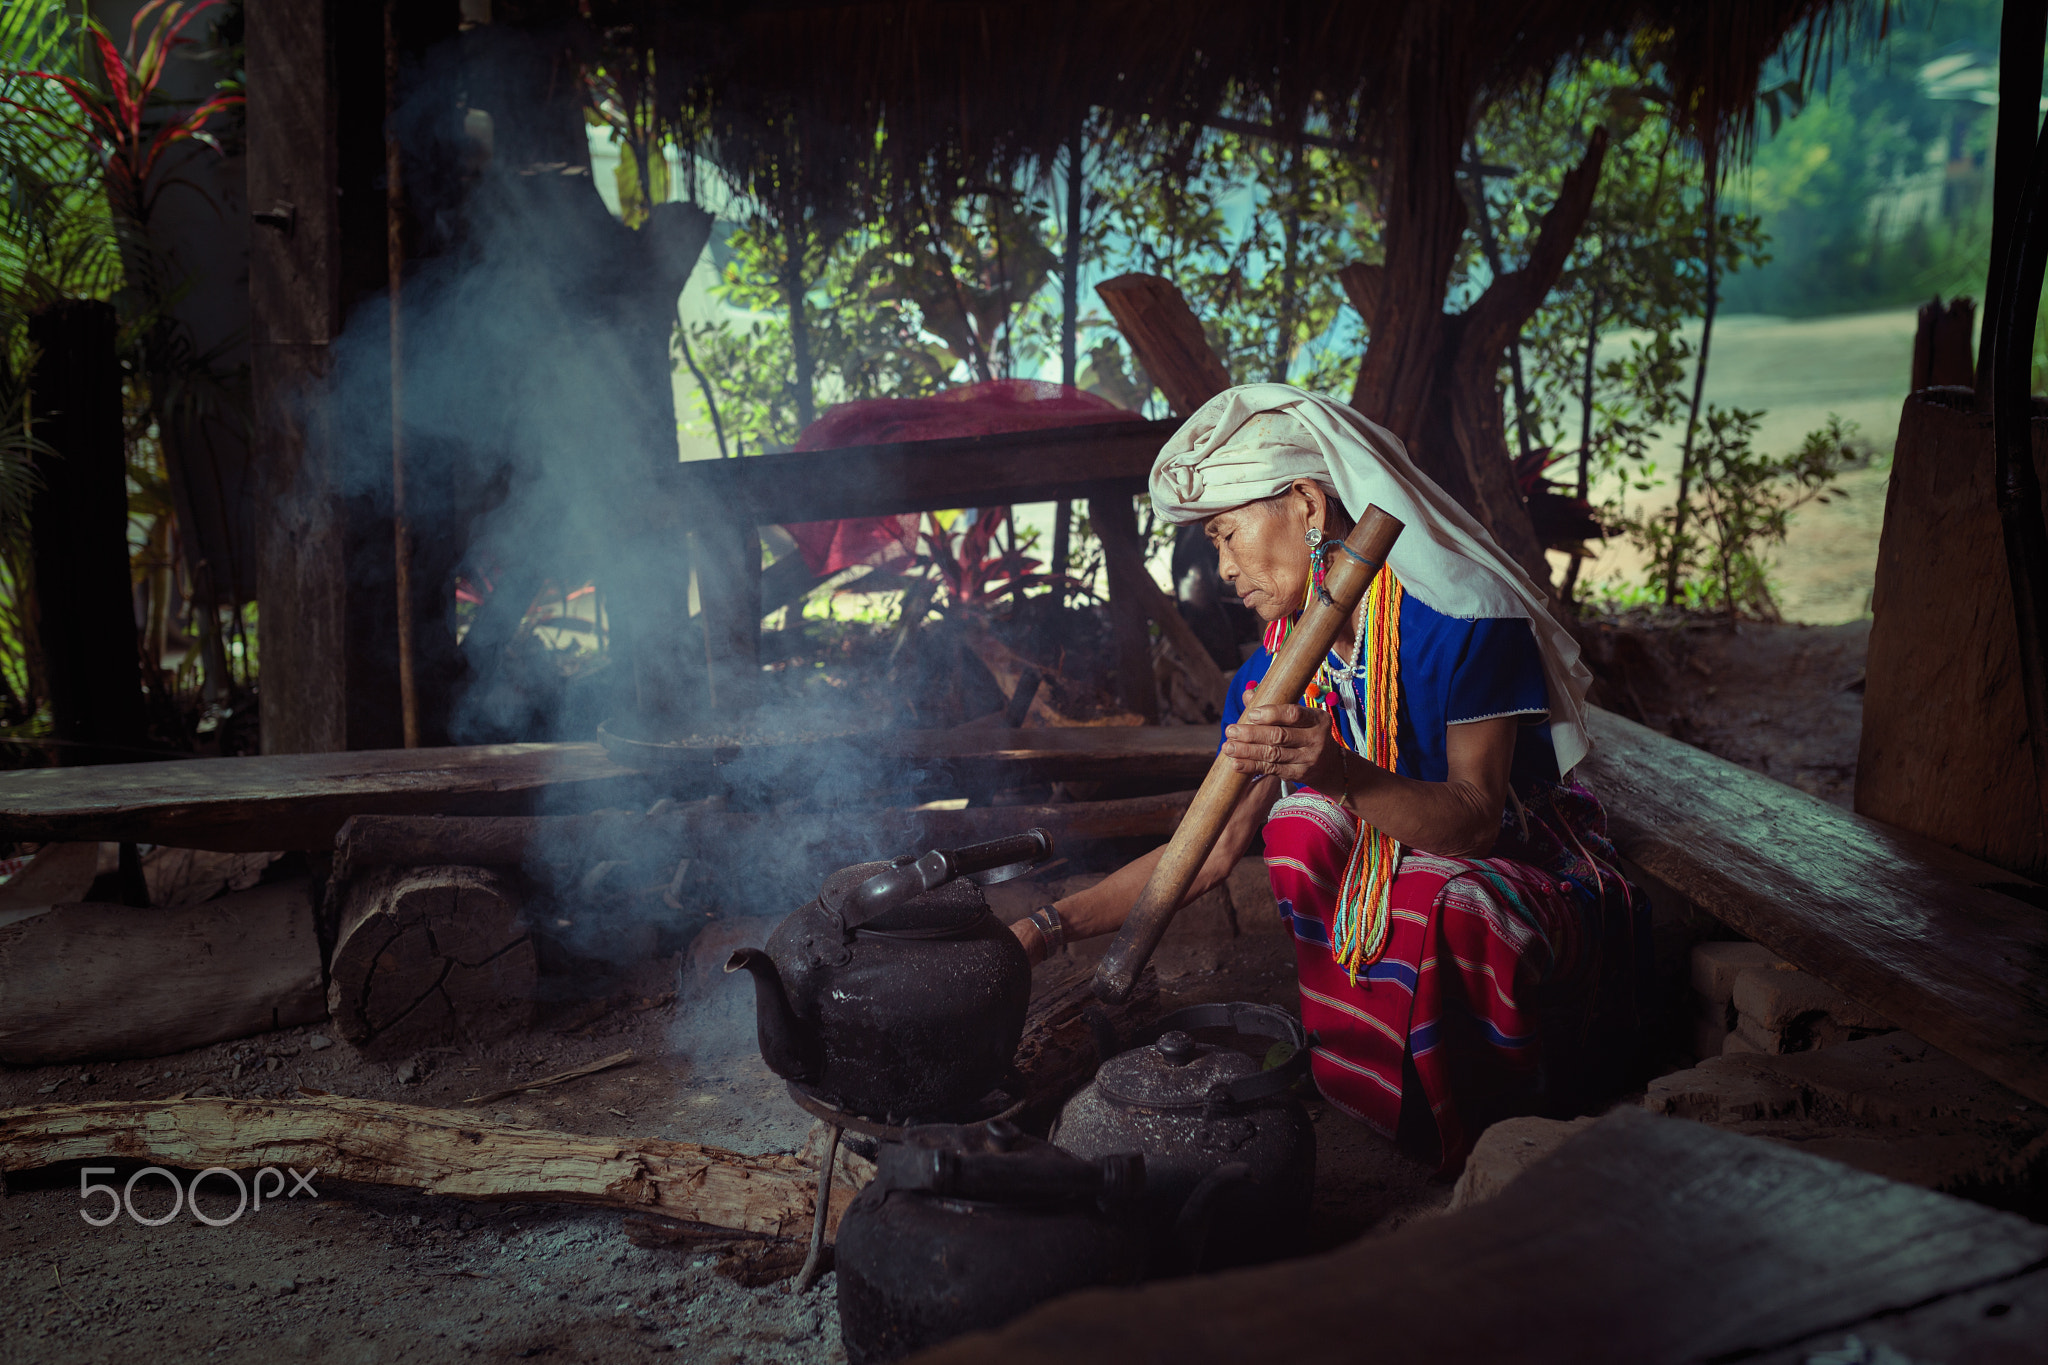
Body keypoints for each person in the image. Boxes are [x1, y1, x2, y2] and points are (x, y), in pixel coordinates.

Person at [1011, 384, 1644, 1171]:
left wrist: (1338, 769)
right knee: (1300, 829)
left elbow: (1479, 820)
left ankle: (1502, 1123)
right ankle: (1372, 1083)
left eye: (1227, 533)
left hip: (1518, 866)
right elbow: (1206, 850)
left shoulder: (1467, 620)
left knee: (1436, 893)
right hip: (1400, 870)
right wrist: (1041, 932)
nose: (1223, 566)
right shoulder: (1273, 674)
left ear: (1307, 503)